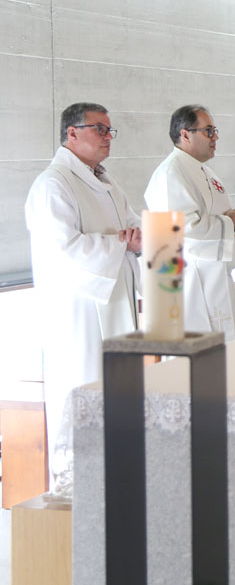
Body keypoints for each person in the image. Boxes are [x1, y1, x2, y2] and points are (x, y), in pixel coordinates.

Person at [25, 102, 142, 484]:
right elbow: (64, 251)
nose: (108, 137)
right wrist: (118, 245)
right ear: (71, 133)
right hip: (78, 313)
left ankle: (118, 475)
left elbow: (132, 227)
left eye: (110, 130)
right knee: (84, 385)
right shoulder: (53, 184)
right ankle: (75, 485)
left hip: (113, 306)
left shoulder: (106, 182)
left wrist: (139, 240)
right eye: (99, 129)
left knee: (114, 392)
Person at [144, 104, 235, 341]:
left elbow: (213, 215)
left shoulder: (202, 171)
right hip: (190, 281)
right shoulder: (171, 173)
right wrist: (229, 223)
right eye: (208, 131)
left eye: (214, 130)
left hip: (214, 273)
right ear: (185, 134)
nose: (216, 137)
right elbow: (183, 227)